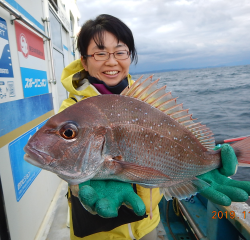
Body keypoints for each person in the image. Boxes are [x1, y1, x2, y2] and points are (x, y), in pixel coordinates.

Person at [59, 14, 250, 240]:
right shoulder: (72, 112)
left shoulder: (148, 102)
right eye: (100, 53)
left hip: (149, 223)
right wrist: (80, 188)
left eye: (120, 52)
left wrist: (204, 158)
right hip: (98, 233)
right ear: (84, 60)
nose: (111, 62)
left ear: (130, 56)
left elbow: (178, 135)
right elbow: (63, 160)